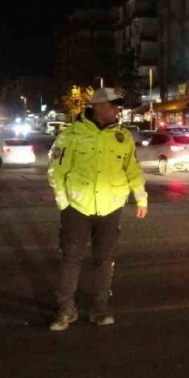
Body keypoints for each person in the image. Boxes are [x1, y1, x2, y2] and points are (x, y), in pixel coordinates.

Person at [46, 87, 148, 331]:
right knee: (71, 259)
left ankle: (99, 309)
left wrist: (141, 198)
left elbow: (132, 168)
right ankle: (66, 310)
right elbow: (56, 171)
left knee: (105, 261)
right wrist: (64, 203)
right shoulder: (71, 135)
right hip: (77, 207)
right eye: (112, 105)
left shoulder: (122, 136)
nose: (116, 109)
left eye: (117, 105)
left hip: (111, 207)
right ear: (98, 107)